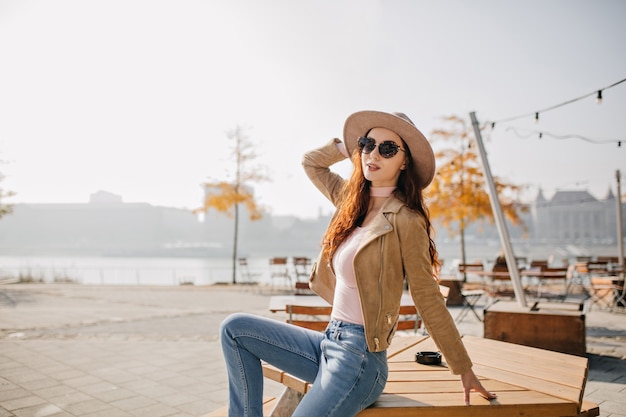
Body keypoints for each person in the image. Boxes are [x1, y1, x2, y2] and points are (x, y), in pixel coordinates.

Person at [220, 110, 496, 417]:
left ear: (404, 162)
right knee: (234, 329)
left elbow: (427, 297)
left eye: (387, 148)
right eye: (367, 144)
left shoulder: (406, 220)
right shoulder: (349, 202)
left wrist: (463, 367)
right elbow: (311, 162)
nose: (373, 154)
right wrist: (346, 147)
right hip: (328, 343)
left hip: (360, 360)